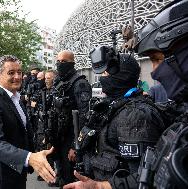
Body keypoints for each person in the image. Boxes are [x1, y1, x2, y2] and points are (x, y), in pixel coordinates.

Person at [64, 0, 188, 188]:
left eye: (156, 59)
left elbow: (141, 177)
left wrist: (101, 186)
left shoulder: (136, 115)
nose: (154, 72)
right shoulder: (113, 107)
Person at [0, 55, 56, 189]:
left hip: (17, 170)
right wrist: (29, 158)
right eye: (11, 73)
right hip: (1, 176)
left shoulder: (17, 98)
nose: (17, 77)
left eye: (19, 72)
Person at [50, 50, 92, 187]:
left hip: (71, 138)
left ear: (72, 63)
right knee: (61, 173)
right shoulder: (58, 82)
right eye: (58, 61)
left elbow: (85, 116)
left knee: (70, 177)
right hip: (59, 136)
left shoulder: (80, 83)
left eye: (64, 61)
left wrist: (76, 145)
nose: (60, 64)